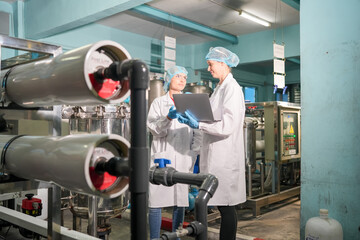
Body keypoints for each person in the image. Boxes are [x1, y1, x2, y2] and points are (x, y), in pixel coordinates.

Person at [178, 47, 245, 240]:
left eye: (210, 64)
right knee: (222, 205)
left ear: (223, 64)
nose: (209, 69)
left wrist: (198, 124)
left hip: (225, 157)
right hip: (215, 154)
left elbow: (227, 126)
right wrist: (194, 117)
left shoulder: (232, 89)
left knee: (226, 206)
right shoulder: (219, 89)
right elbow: (212, 118)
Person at [147, 65, 201, 240]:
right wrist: (168, 117)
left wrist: (195, 154)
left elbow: (198, 131)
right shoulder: (158, 103)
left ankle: (176, 236)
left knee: (181, 201)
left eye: (184, 77)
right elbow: (155, 130)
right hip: (163, 158)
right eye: (178, 76)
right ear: (168, 79)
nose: (182, 80)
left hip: (184, 157)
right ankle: (155, 238)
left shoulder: (192, 103)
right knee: (156, 201)